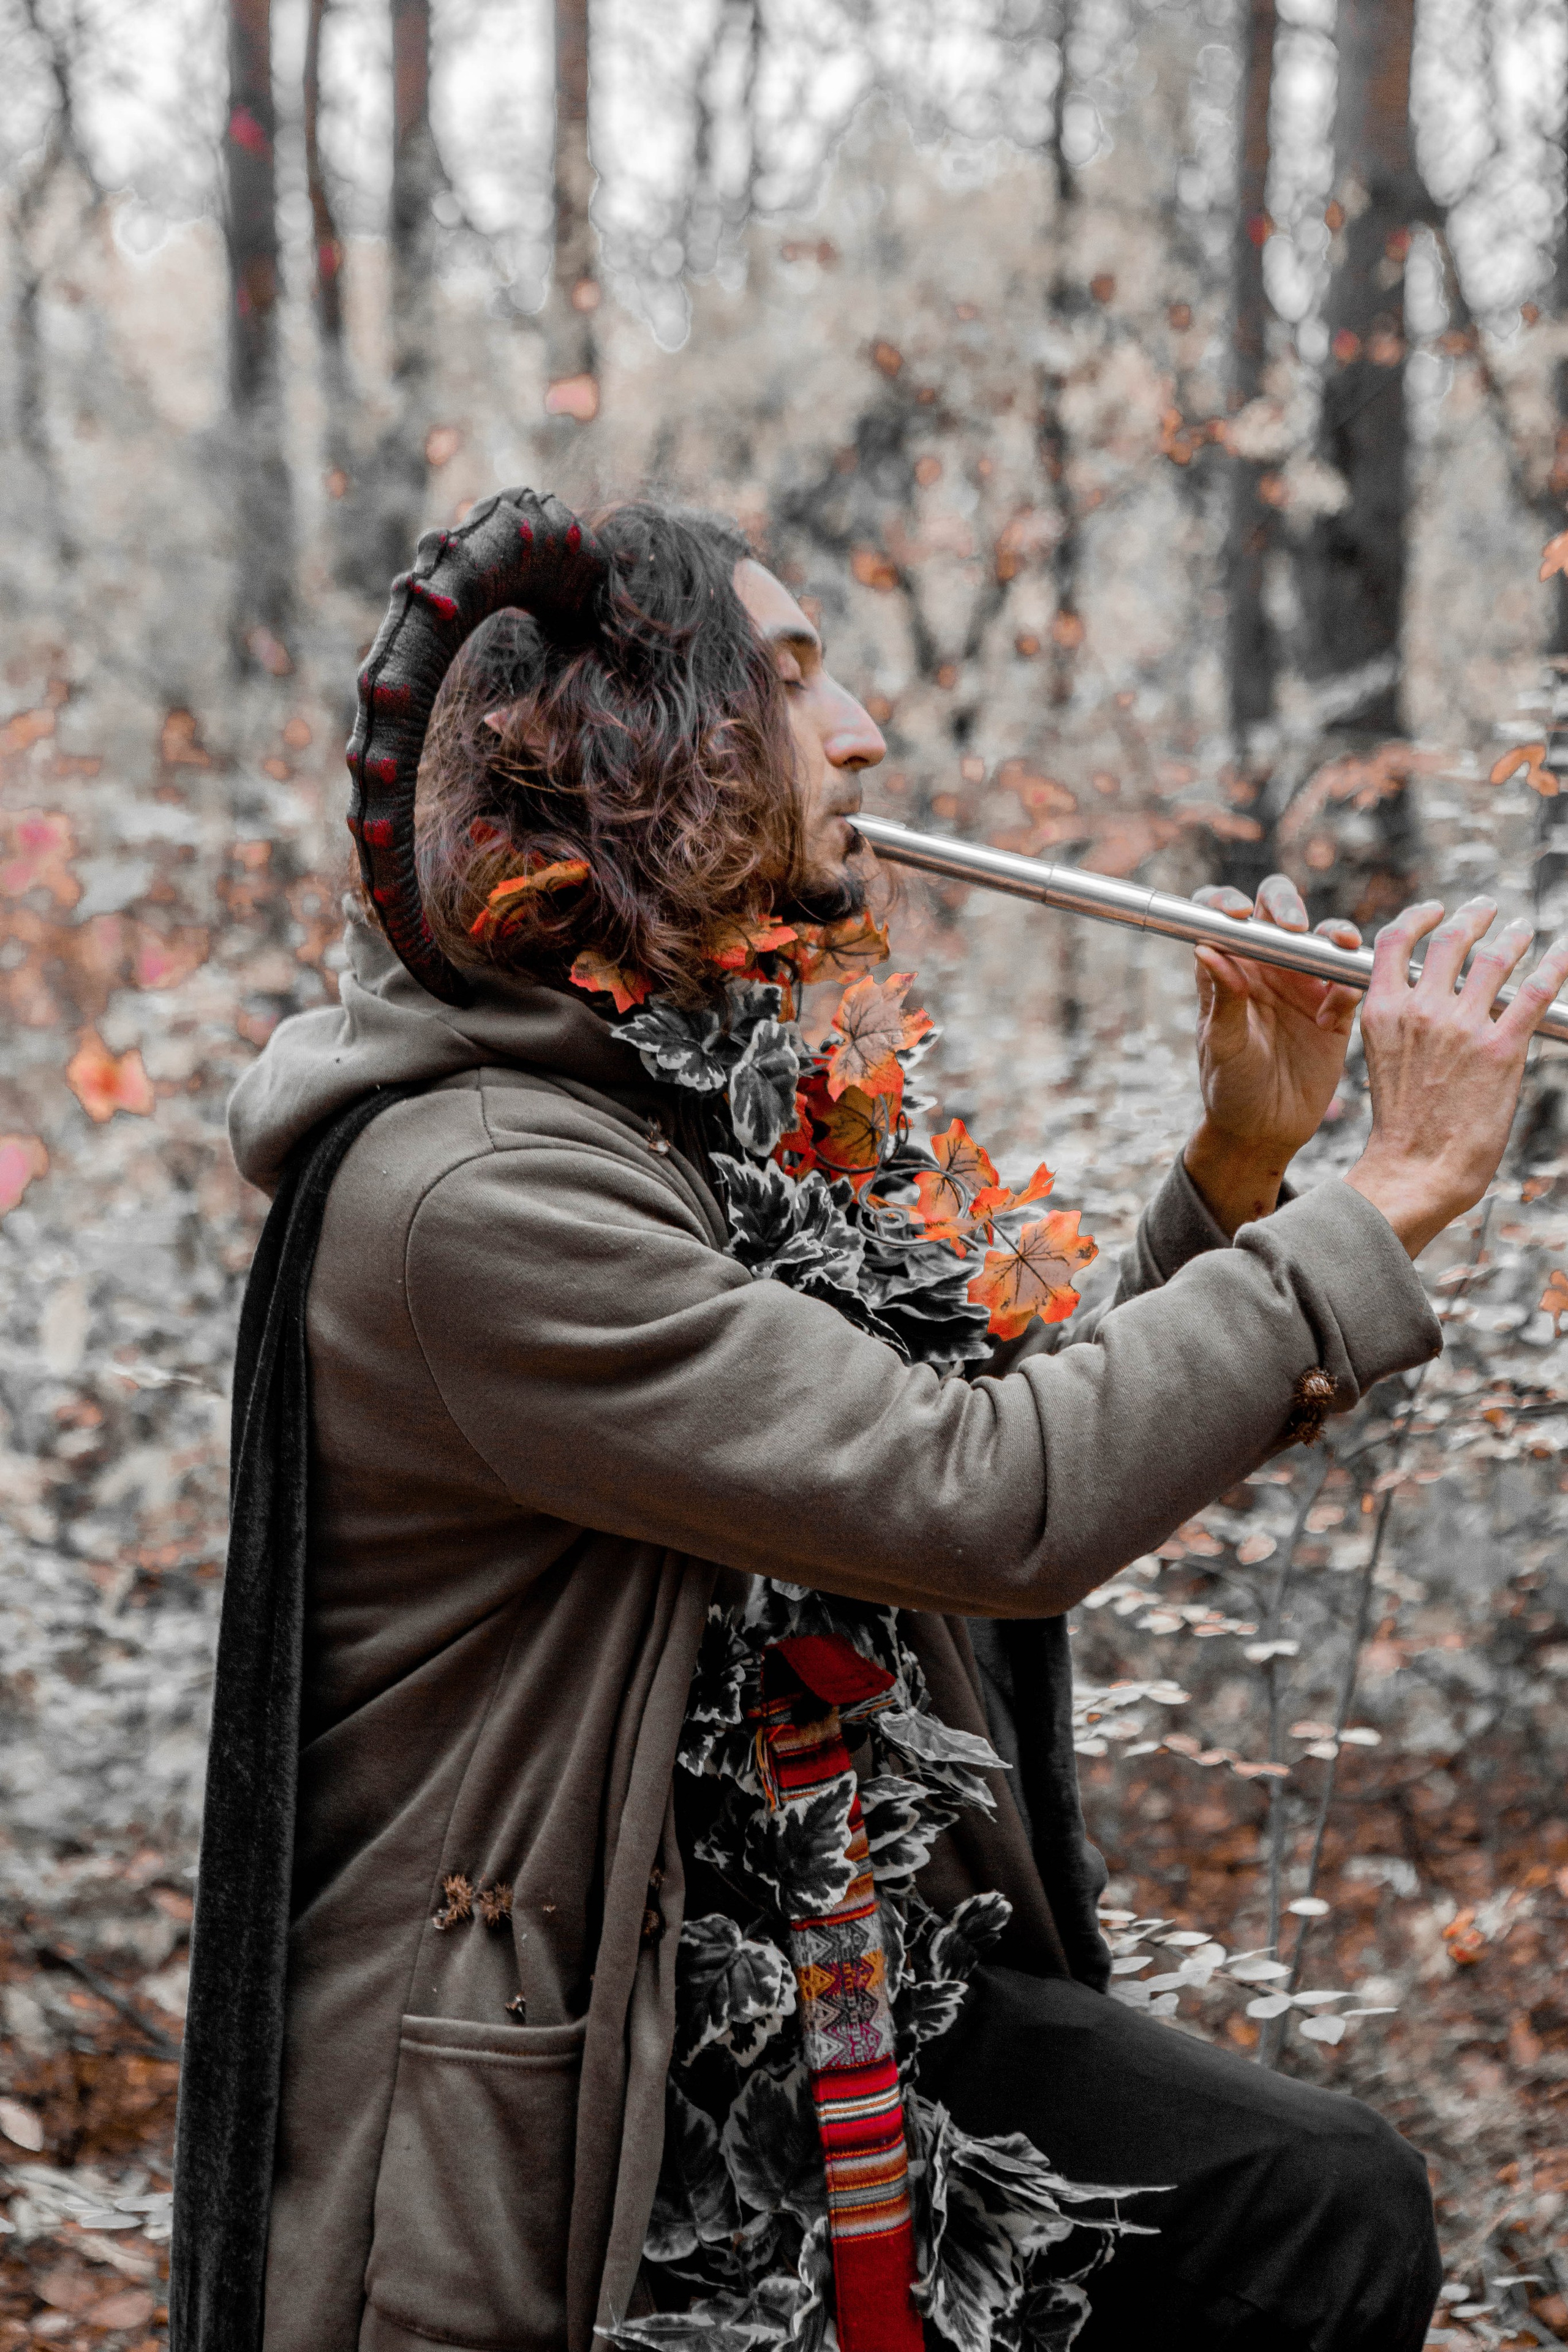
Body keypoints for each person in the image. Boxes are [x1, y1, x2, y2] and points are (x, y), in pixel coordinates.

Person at [170, 491, 1568, 2352]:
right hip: (593, 2060)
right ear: (648, 748)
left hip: (845, 1963)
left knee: (1308, 2206)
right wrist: (1386, 1196)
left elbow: (961, 1429)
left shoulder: (718, 1105)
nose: (866, 737)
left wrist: (1241, 1173)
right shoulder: (478, 1198)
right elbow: (978, 1501)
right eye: (802, 683)